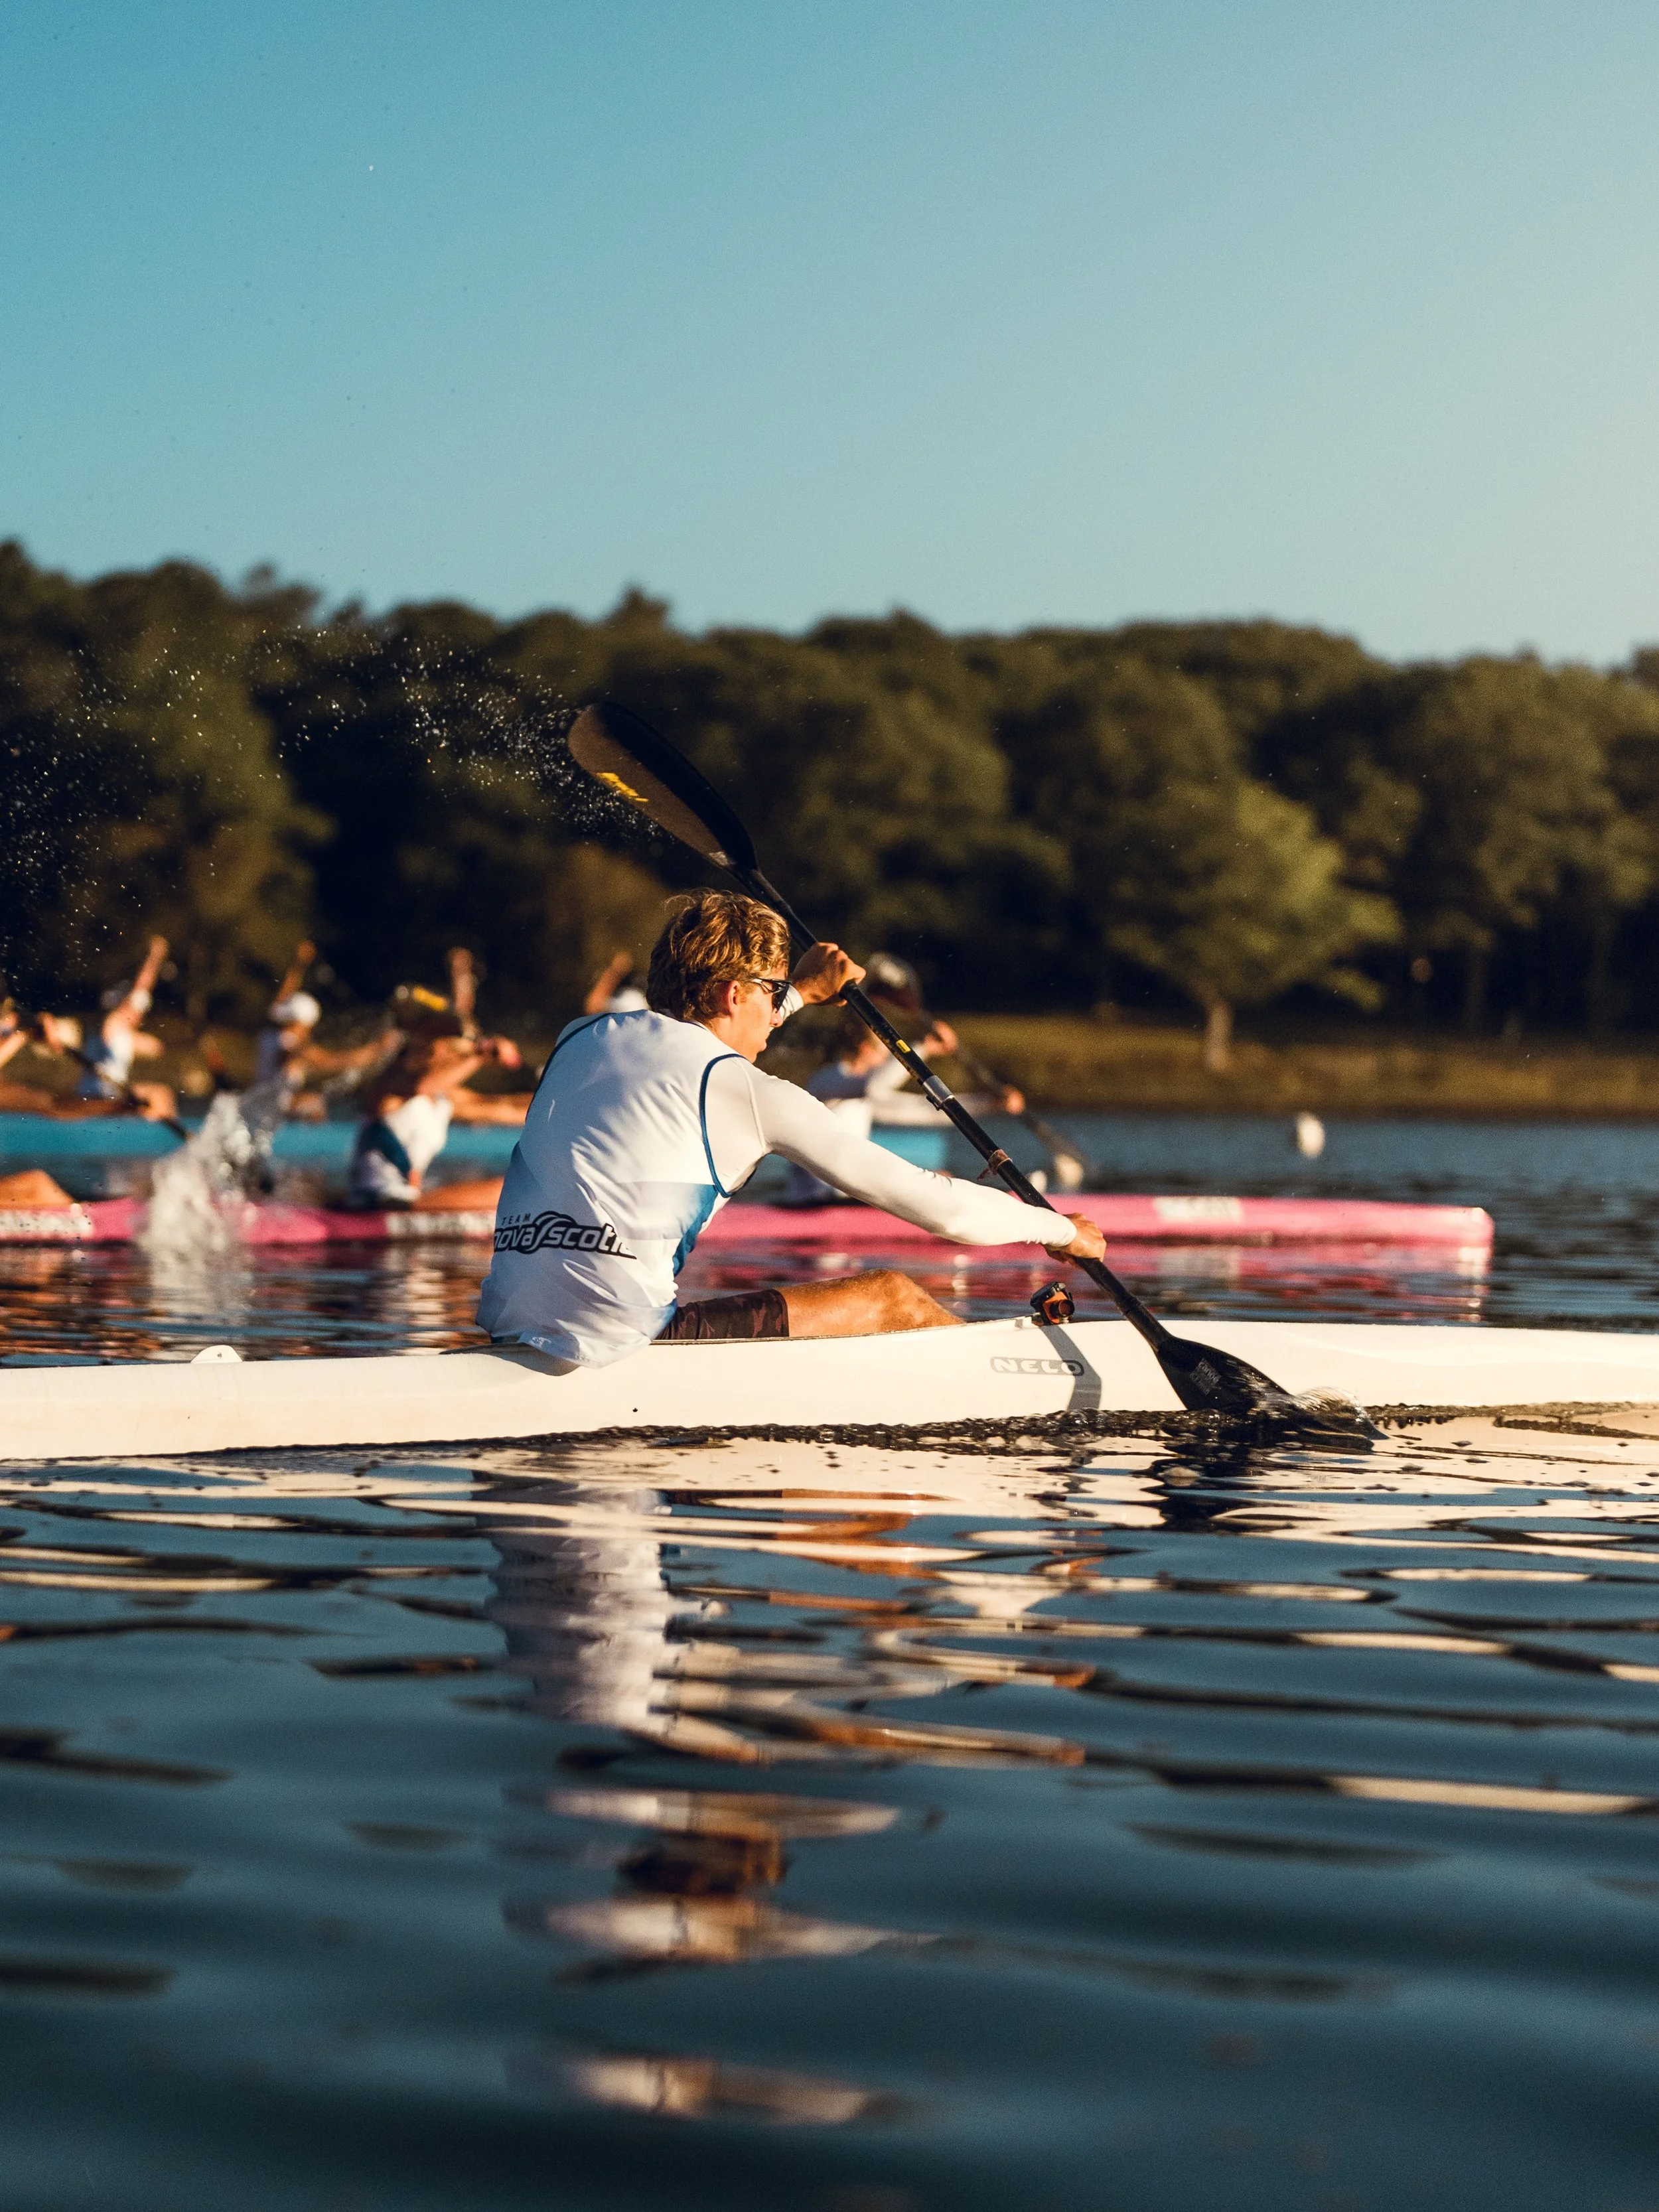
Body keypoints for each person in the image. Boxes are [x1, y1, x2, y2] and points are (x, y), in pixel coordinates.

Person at [476, 889, 1106, 1369]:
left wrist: (797, 992)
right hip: (622, 1344)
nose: (777, 1016)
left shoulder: (577, 1038)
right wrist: (1060, 1229)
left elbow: (698, 1042)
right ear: (730, 994)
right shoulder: (755, 1095)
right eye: (771, 993)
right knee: (893, 1298)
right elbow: (945, 1211)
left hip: (510, 1326)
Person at [347, 963, 528, 1211]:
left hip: (403, 1200)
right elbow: (423, 1086)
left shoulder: (445, 1100)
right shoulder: (392, 1081)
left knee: (517, 1184)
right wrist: (482, 1054)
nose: (452, 1053)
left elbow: (506, 1107)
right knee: (511, 1188)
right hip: (375, 1200)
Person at [781, 1014, 962, 1204]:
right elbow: (873, 1086)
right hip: (812, 1202)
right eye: (884, 1054)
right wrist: (921, 1049)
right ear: (865, 1048)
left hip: (845, 1199)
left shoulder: (862, 1096)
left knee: (937, 1182)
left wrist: (989, 1102)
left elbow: (923, 1111)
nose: (886, 1062)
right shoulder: (826, 1081)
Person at [76, 936, 177, 1121]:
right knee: (161, 1094)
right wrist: (155, 957)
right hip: (102, 1096)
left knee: (155, 1096)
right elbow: (142, 986)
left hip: (101, 1093)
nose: (140, 1015)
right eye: (138, 1010)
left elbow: (154, 1047)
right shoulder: (113, 1022)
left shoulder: (118, 1033)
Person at [583, 951, 649, 1016]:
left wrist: (615, 971)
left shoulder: (632, 999)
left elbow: (594, 1006)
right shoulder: (636, 999)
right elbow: (594, 1006)